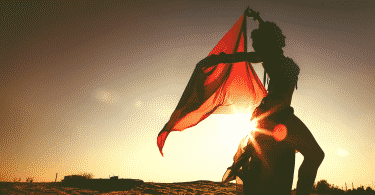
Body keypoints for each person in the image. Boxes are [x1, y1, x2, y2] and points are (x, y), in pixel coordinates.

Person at [203, 15, 324, 195]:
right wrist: (221, 58)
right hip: (276, 115)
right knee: (315, 155)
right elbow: (245, 56)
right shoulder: (269, 56)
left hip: (278, 114)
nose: (256, 46)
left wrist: (258, 19)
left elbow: (267, 35)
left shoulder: (276, 56)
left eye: (259, 41)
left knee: (306, 158)